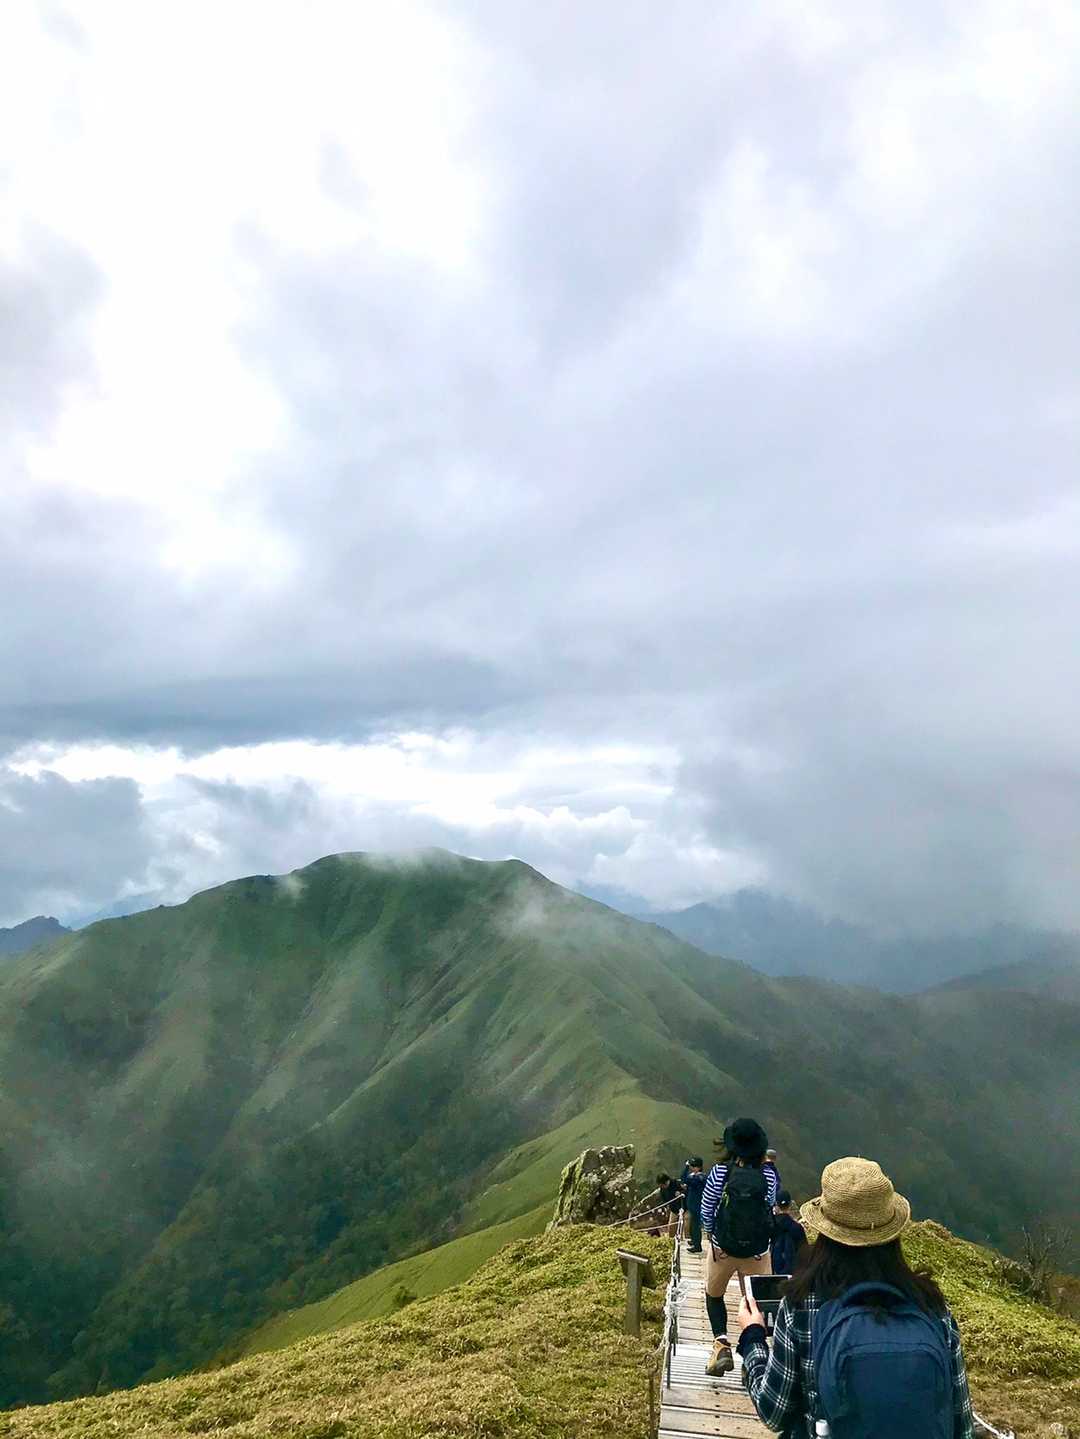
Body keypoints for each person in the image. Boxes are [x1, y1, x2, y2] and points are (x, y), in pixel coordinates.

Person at [736, 1157, 974, 1439]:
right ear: (892, 1230)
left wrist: (752, 1338)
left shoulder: (802, 1303)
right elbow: (962, 1422)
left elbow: (774, 1411)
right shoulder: (931, 1306)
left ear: (825, 1230)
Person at [699, 1117, 778, 1375]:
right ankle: (752, 1357)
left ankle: (721, 1345)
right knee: (754, 1302)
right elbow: (769, 1206)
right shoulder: (768, 1174)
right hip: (757, 1252)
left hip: (723, 1249)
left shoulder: (721, 1172)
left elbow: (707, 1208)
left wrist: (712, 1235)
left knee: (714, 1295)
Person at [770, 1189, 806, 1276]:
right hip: (793, 1271)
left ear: (776, 1205)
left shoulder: (770, 1226)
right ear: (790, 1205)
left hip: (774, 1269)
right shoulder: (798, 1228)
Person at [680, 1157, 706, 1253]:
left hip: (697, 1205)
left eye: (693, 1166)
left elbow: (684, 1179)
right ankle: (694, 1240)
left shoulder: (700, 1178)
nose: (691, 1167)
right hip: (692, 1204)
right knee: (692, 1225)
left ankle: (697, 1246)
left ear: (698, 1167)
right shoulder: (694, 1176)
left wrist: (686, 1167)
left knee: (695, 1226)